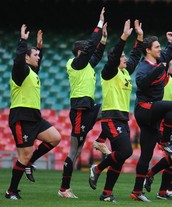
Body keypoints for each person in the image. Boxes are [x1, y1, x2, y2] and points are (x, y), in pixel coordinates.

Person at [88, 19, 143, 202]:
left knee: (120, 157)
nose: (125, 58)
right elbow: (115, 56)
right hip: (111, 117)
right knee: (125, 151)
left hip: (122, 118)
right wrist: (124, 37)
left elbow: (135, 55)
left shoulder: (125, 72)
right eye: (122, 57)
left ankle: (107, 194)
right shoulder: (109, 72)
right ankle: (97, 169)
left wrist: (140, 37)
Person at [5, 24, 61, 200]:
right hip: (21, 117)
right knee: (24, 155)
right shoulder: (20, 71)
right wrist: (23, 41)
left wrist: (39, 47)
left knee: (55, 138)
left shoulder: (32, 72)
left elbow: (37, 62)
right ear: (26, 58)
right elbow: (18, 60)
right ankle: (11, 191)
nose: (39, 58)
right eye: (35, 55)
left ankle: (30, 162)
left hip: (34, 117)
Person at [130, 22, 172, 202]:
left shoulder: (160, 61)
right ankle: (166, 140)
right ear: (148, 50)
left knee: (146, 155)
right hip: (144, 109)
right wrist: (158, 70)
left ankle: (137, 191)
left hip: (152, 114)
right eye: (157, 47)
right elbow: (141, 84)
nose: (161, 49)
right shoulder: (144, 66)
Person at [58, 8, 107, 199]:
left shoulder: (86, 65)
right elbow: (91, 50)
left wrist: (103, 39)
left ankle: (101, 141)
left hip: (88, 108)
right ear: (80, 52)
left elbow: (97, 54)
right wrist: (99, 23)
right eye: (87, 49)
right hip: (79, 110)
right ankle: (63, 189)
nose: (91, 51)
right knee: (75, 150)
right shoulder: (76, 63)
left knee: (110, 110)